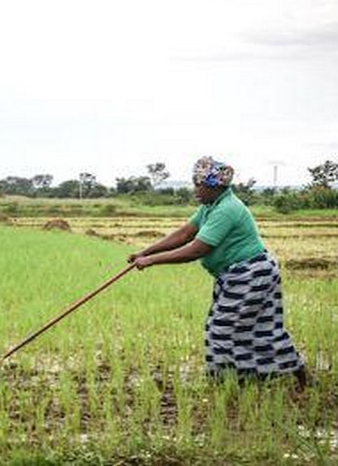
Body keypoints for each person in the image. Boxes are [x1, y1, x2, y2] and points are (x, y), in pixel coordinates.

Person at [128, 156, 307, 388]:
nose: (195, 190)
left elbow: (197, 249)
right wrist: (144, 251)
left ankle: (226, 382)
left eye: (199, 184)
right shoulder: (210, 207)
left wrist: (151, 261)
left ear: (214, 186)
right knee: (255, 327)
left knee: (221, 329)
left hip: (251, 273)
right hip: (237, 274)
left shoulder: (227, 209)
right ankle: (251, 378)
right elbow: (184, 234)